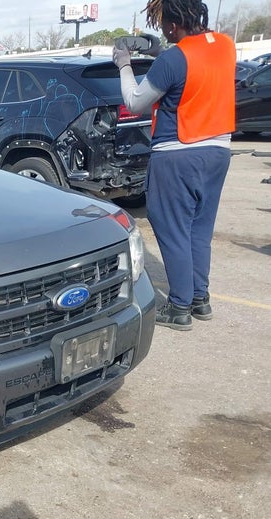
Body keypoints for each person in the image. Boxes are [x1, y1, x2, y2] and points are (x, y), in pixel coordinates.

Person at [112, 0, 235, 331]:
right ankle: (200, 298)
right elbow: (196, 65)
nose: (162, 28)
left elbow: (135, 102)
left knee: (172, 228)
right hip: (218, 151)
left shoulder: (173, 59)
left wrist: (124, 65)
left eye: (164, 23)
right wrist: (160, 51)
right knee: (199, 230)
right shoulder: (224, 45)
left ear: (173, 24)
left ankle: (179, 306)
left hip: (178, 152)